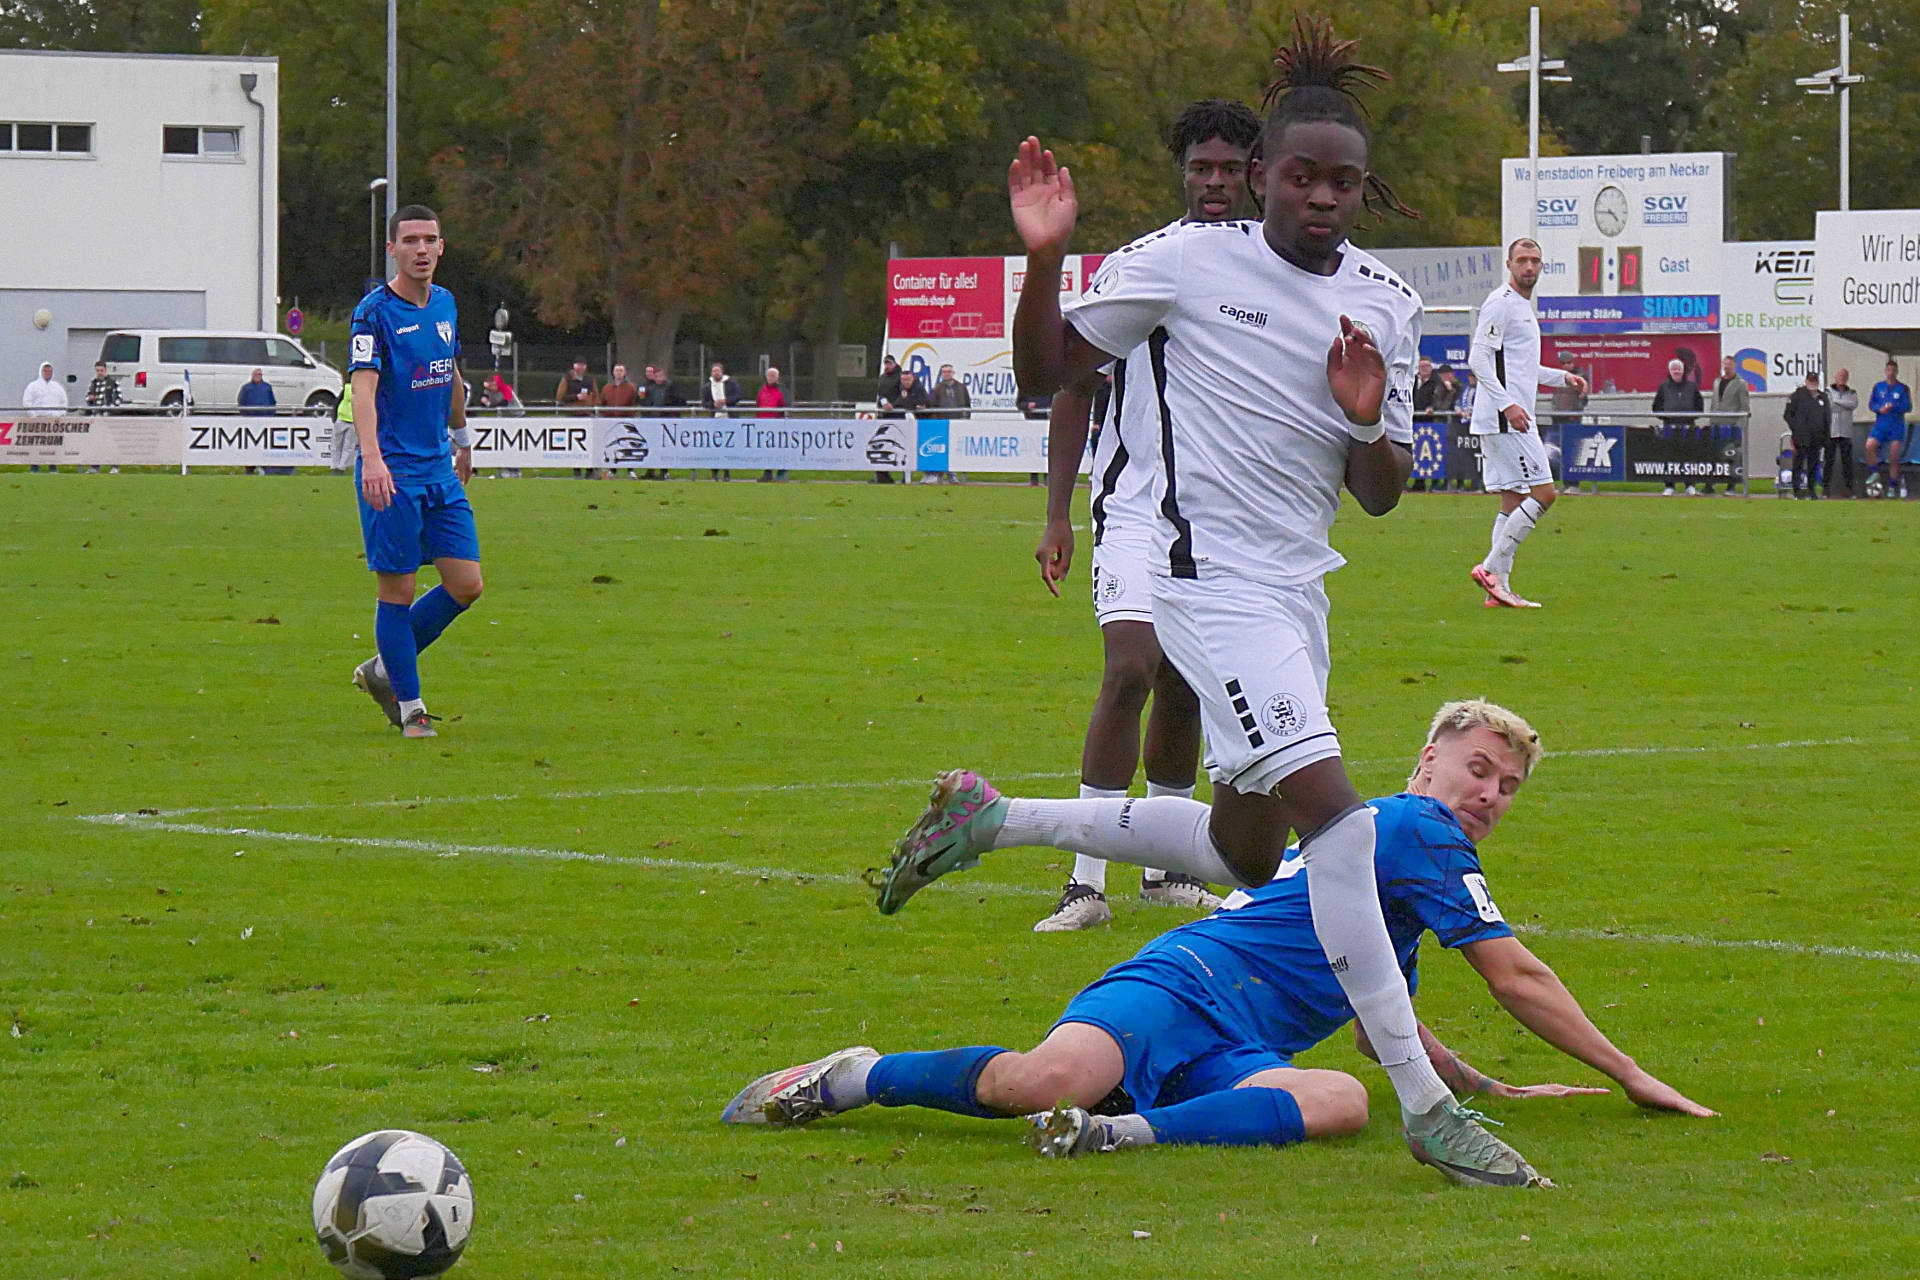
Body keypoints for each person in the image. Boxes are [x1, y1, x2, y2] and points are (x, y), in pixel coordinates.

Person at [877, 19, 1545, 1186]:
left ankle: (994, 819)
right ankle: (1428, 1106)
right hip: (1200, 580)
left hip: (1296, 593)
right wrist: (1045, 258)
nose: (1322, 197)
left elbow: (1381, 492)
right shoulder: (1186, 262)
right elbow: (1046, 375)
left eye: (1344, 181)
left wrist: (1362, 414)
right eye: (1302, 176)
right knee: (1342, 825)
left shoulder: (1387, 301)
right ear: (1265, 175)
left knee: (1249, 849)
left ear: (1363, 185)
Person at [731, 701, 1714, 1178]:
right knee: (1037, 1080)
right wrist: (1633, 1075)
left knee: (1340, 1099)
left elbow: (1380, 1024)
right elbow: (1516, 974)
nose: (1491, 794)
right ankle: (855, 1075)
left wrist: (1484, 1086)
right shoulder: (1419, 828)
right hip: (1184, 981)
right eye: (1480, 769)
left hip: (1241, 1045)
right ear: (1428, 762)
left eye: (1508, 786)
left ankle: (1116, 1133)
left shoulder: (1381, 852)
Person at [1031, 97, 1260, 932]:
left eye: (1229, 169)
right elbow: (1072, 383)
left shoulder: (1276, 272)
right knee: (1130, 668)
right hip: (1132, 511)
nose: (1214, 182)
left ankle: (1166, 872)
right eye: (1200, 168)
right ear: (1182, 173)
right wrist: (1058, 515)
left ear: (1256, 174)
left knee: (1187, 685)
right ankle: (1084, 882)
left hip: (1223, 522)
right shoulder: (1142, 265)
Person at [345, 204, 484, 741]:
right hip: (394, 472)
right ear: (392, 249)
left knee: (466, 584)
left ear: (442, 247)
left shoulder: (446, 303)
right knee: (398, 589)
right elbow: (363, 389)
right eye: (410, 240)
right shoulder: (373, 313)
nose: (421, 249)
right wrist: (372, 459)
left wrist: (462, 438)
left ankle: (384, 669)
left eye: (430, 239)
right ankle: (411, 708)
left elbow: (450, 375)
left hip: (438, 469)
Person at [1468, 238, 1586, 609]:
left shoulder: (1521, 307)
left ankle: (1498, 589)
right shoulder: (1501, 303)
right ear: (1509, 264)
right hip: (1507, 418)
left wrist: (1562, 377)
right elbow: (1478, 359)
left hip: (1509, 416)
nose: (1529, 266)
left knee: (1514, 497)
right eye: (1522, 260)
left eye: (1535, 260)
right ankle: (1491, 569)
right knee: (1545, 493)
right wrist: (1508, 406)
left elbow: (1521, 366)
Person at [1651, 358, 1703, 495]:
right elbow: (1656, 407)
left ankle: (1690, 485)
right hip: (1669, 428)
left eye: (1679, 369)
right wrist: (1666, 417)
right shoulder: (1664, 387)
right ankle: (1669, 486)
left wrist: (1690, 417)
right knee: (1669, 456)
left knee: (1689, 456)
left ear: (1683, 371)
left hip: (1688, 428)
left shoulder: (1692, 386)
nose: (1676, 371)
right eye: (1674, 369)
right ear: (1669, 371)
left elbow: (1700, 406)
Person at [1865, 360, 1910, 499]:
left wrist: (1893, 407)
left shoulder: (1902, 388)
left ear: (1896, 372)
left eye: (1893, 370)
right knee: (1869, 446)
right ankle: (1875, 473)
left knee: (1893, 457)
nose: (1891, 373)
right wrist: (1880, 409)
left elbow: (1908, 407)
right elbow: (1871, 404)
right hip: (1881, 425)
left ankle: (1892, 486)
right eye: (1889, 370)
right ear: (1885, 371)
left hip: (1896, 426)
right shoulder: (1878, 387)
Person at [1783, 371, 1829, 499]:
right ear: (1806, 381)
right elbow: (1787, 415)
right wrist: (1797, 428)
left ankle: (1811, 490)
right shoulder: (1797, 396)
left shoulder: (1822, 397)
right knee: (1798, 463)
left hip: (1817, 437)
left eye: (1814, 381)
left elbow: (1827, 418)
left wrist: (1826, 436)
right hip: (1801, 437)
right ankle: (1797, 490)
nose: (1812, 383)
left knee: (1813, 464)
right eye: (1810, 381)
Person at [925, 362, 972, 485]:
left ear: (953, 373)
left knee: (956, 449)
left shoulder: (961, 388)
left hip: (958, 423)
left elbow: (967, 405)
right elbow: (932, 407)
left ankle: (953, 474)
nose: (947, 374)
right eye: (944, 372)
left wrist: (965, 419)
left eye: (949, 372)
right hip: (943, 424)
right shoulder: (937, 389)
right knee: (943, 450)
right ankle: (940, 473)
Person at [22, 361, 68, 472]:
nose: (48, 373)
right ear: (41, 371)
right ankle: (34, 467)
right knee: (36, 444)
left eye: (50, 371)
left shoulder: (57, 387)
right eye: (45, 371)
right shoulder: (33, 386)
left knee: (53, 444)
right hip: (38, 420)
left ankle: (53, 467)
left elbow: (64, 402)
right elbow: (27, 402)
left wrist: (59, 415)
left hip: (54, 421)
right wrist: (34, 416)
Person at [557, 358, 597, 478]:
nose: (580, 367)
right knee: (575, 445)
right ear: (574, 366)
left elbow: (596, 395)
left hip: (587, 415)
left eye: (582, 365)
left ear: (585, 366)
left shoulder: (590, 379)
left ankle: (590, 470)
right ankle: (577, 470)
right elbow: (560, 397)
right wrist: (576, 397)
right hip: (573, 415)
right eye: (578, 365)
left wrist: (594, 407)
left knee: (589, 444)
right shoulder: (567, 379)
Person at [701, 362, 741, 480]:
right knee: (714, 447)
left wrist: (725, 401)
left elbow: (738, 396)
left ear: (722, 372)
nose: (716, 373)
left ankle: (726, 472)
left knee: (727, 447)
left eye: (718, 371)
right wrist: (713, 405)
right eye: (714, 371)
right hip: (715, 420)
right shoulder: (707, 386)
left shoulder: (731, 383)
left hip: (729, 418)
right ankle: (714, 473)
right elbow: (704, 402)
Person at [1826, 368, 1859, 498]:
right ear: (1835, 377)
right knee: (1829, 461)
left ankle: (1849, 489)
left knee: (1847, 462)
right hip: (1832, 431)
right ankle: (1826, 489)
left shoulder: (1852, 392)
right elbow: (1829, 406)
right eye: (1840, 376)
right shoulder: (1828, 391)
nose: (1842, 379)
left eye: (1844, 376)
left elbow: (1853, 404)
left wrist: (1837, 401)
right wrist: (1843, 404)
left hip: (1845, 432)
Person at [873, 355, 904, 483]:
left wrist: (893, 405)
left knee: (902, 446)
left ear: (894, 363)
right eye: (886, 363)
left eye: (889, 363)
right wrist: (884, 404)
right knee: (882, 446)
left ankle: (905, 475)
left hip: (898, 416)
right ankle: (882, 475)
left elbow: (903, 395)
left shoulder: (901, 377)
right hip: (885, 415)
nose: (887, 365)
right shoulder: (882, 377)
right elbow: (881, 394)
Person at [756, 366, 788, 481]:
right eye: (769, 375)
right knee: (766, 450)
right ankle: (767, 473)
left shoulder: (782, 390)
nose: (771, 377)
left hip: (777, 424)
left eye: (773, 375)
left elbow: (786, 404)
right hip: (764, 424)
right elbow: (758, 404)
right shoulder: (762, 389)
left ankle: (782, 473)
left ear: (777, 377)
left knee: (780, 449)